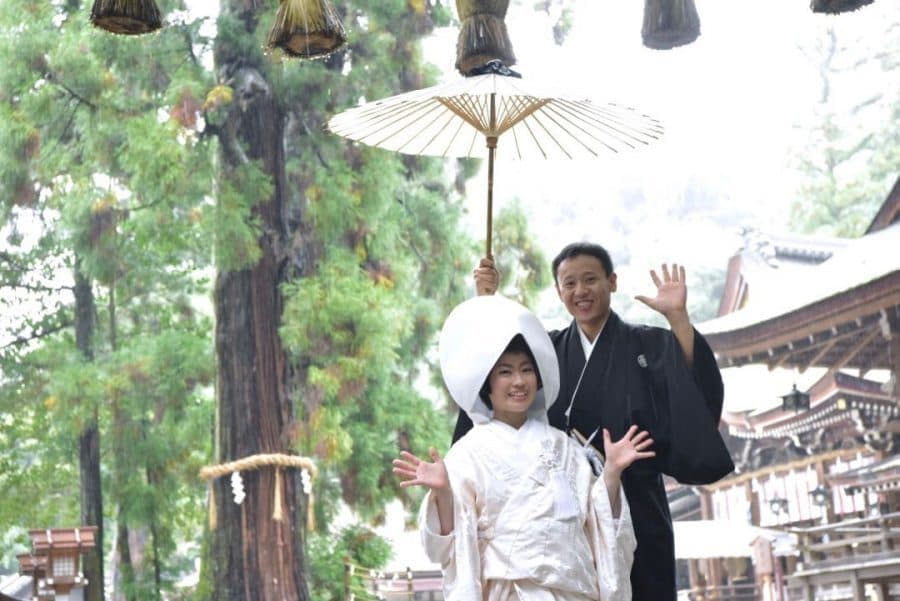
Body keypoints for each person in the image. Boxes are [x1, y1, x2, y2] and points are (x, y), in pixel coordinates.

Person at [456, 243, 733, 601]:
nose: (580, 291)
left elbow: (691, 396)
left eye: (590, 280)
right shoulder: (547, 353)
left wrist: (678, 318)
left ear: (611, 282)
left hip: (637, 505)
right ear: (559, 291)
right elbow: (495, 373)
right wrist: (486, 303)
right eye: (569, 283)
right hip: (566, 520)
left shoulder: (647, 345)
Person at [393, 295, 656, 601]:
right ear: (487, 384)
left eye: (527, 370)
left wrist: (611, 473)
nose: (519, 381)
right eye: (505, 372)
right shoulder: (468, 454)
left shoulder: (565, 448)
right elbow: (447, 548)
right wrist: (442, 492)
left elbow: (597, 524)